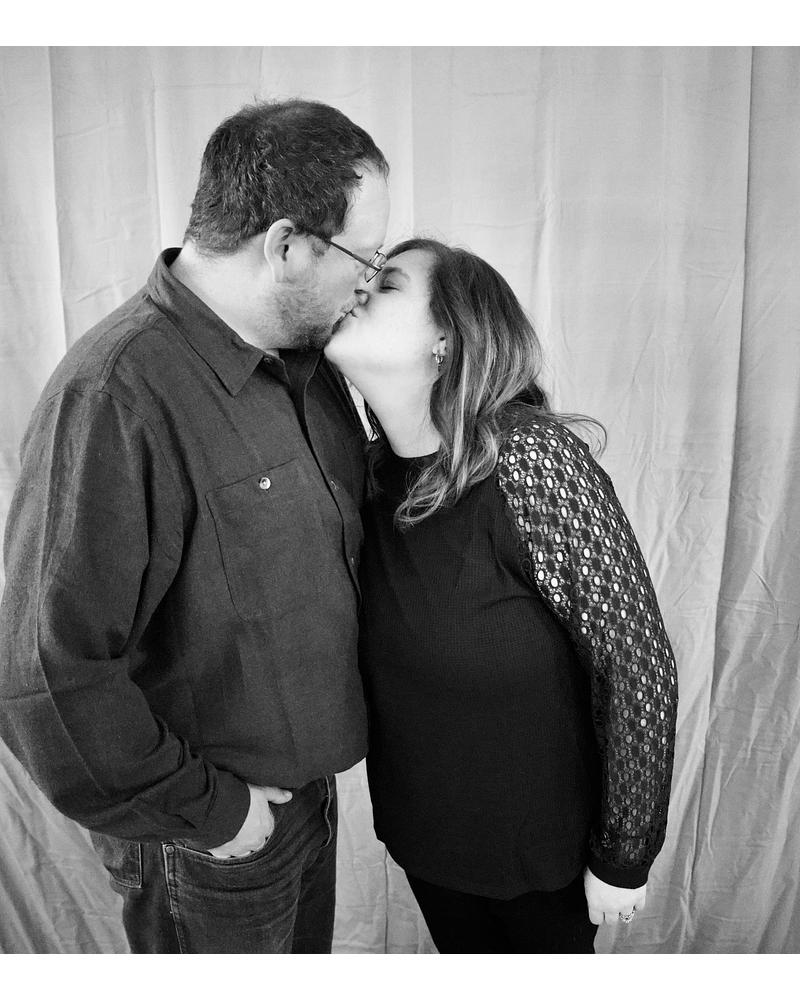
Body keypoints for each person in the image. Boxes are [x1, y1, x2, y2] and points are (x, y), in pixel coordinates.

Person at [0, 99, 390, 954]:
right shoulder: (115, 395)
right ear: (287, 246)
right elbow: (44, 672)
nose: (369, 282)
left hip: (306, 806)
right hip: (209, 842)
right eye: (365, 256)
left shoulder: (310, 366)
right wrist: (216, 815)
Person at [323, 237, 679, 953]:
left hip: (539, 859)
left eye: (387, 285)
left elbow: (636, 662)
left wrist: (624, 853)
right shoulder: (366, 475)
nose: (358, 289)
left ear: (446, 342)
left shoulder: (529, 459)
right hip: (427, 840)